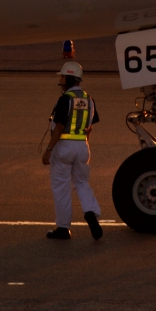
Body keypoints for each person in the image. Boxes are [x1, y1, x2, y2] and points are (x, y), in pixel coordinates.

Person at [41, 62, 103, 240]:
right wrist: (83, 145)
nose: (60, 80)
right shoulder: (89, 99)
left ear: (67, 78)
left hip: (64, 148)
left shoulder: (65, 99)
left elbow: (59, 127)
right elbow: (89, 127)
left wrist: (48, 150)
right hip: (83, 146)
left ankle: (63, 228)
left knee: (61, 187)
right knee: (82, 183)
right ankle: (90, 211)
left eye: (61, 77)